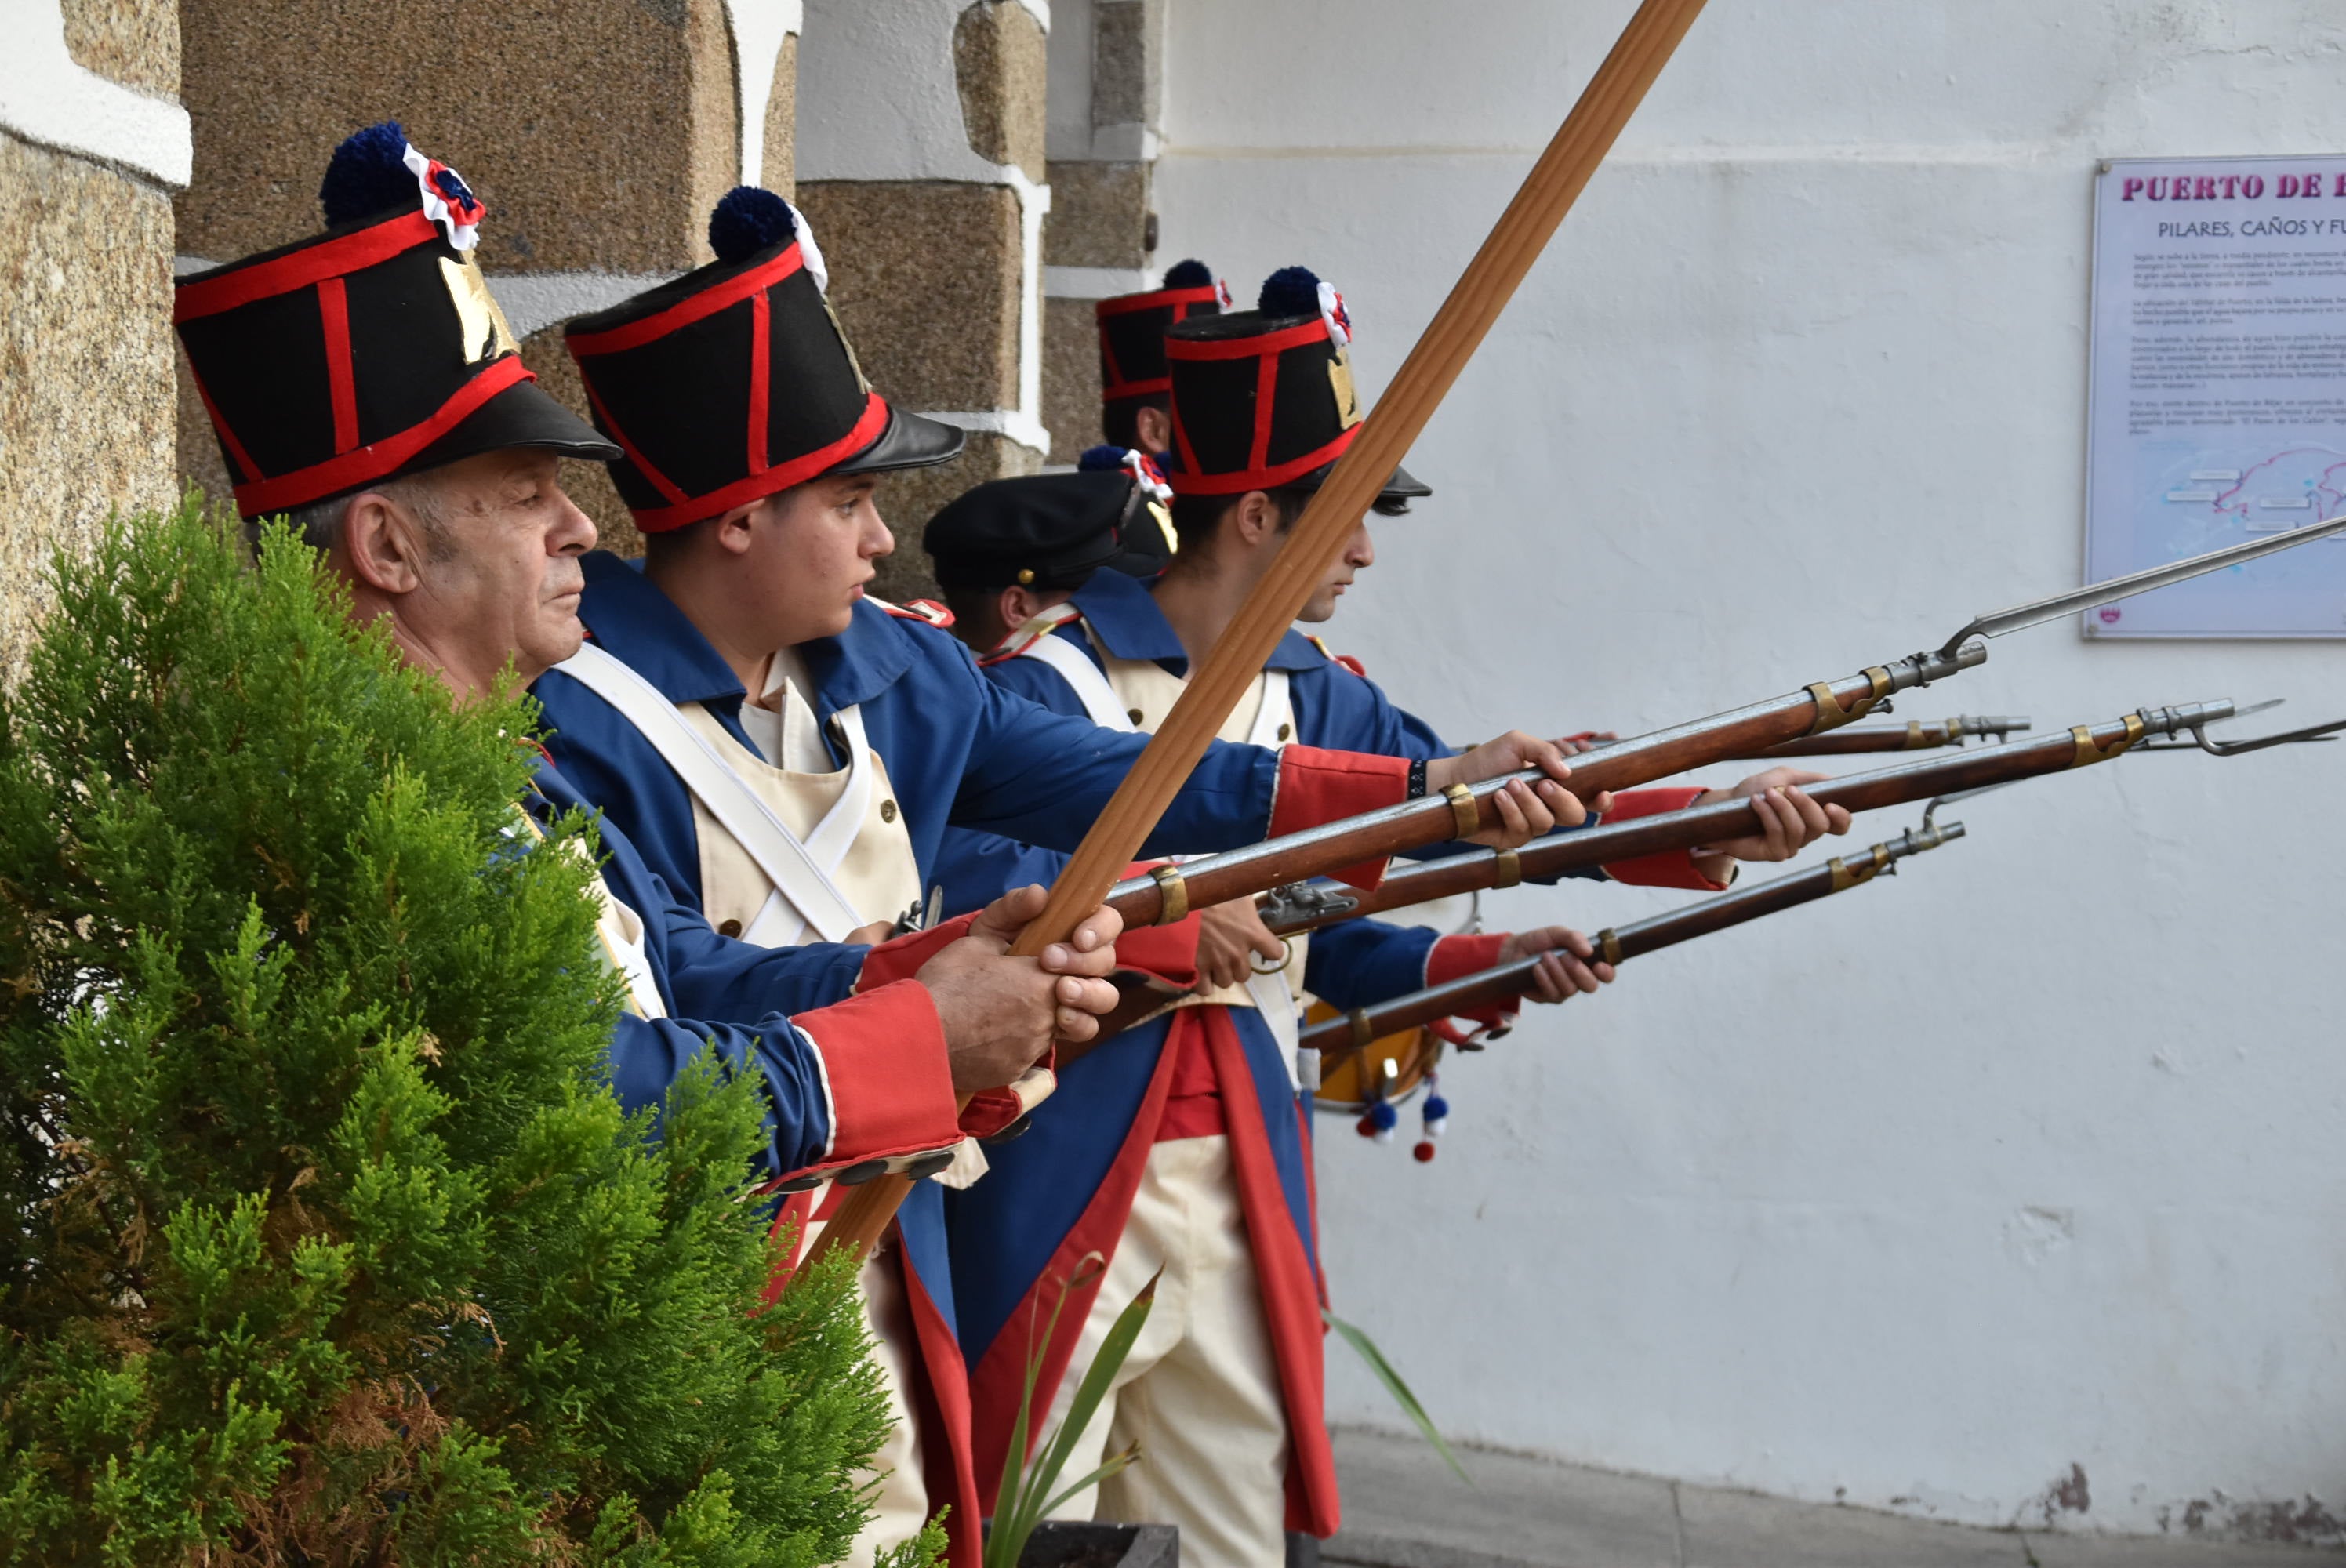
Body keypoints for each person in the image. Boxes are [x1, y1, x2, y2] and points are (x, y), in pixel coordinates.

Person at [524, 187, 1589, 1568]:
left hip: (892, 1220)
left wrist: (1427, 793)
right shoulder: (578, 722)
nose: (878, 540)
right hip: (713, 1255)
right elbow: (680, 1006)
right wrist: (937, 997)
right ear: (739, 517)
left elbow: (1141, 786)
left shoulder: (894, 672)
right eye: (849, 501)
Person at [170, 121, 1127, 1396]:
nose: (580, 525)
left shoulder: (492, 767)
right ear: (387, 550)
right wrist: (916, 1040)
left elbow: (677, 966)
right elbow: (597, 1098)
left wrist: (935, 970)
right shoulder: (339, 802)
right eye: (524, 492)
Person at [923, 268, 1851, 1568]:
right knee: (1037, 1523)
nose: (1364, 552)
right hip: (1058, 1158)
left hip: (1247, 1158)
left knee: (1235, 1532)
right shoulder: (1051, 678)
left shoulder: (1326, 700)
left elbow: (1454, 827)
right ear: (1260, 518)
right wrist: (1165, 931)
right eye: (1348, 519)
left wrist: (1696, 828)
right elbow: (956, 881)